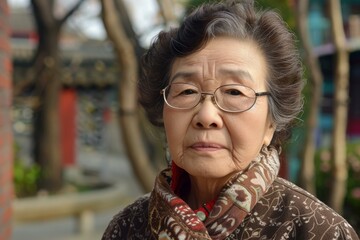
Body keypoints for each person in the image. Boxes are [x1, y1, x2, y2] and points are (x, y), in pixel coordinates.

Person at [102, 0, 359, 239]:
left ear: (271, 123)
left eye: (234, 92)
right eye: (187, 91)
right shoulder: (128, 227)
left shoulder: (317, 230)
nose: (206, 116)